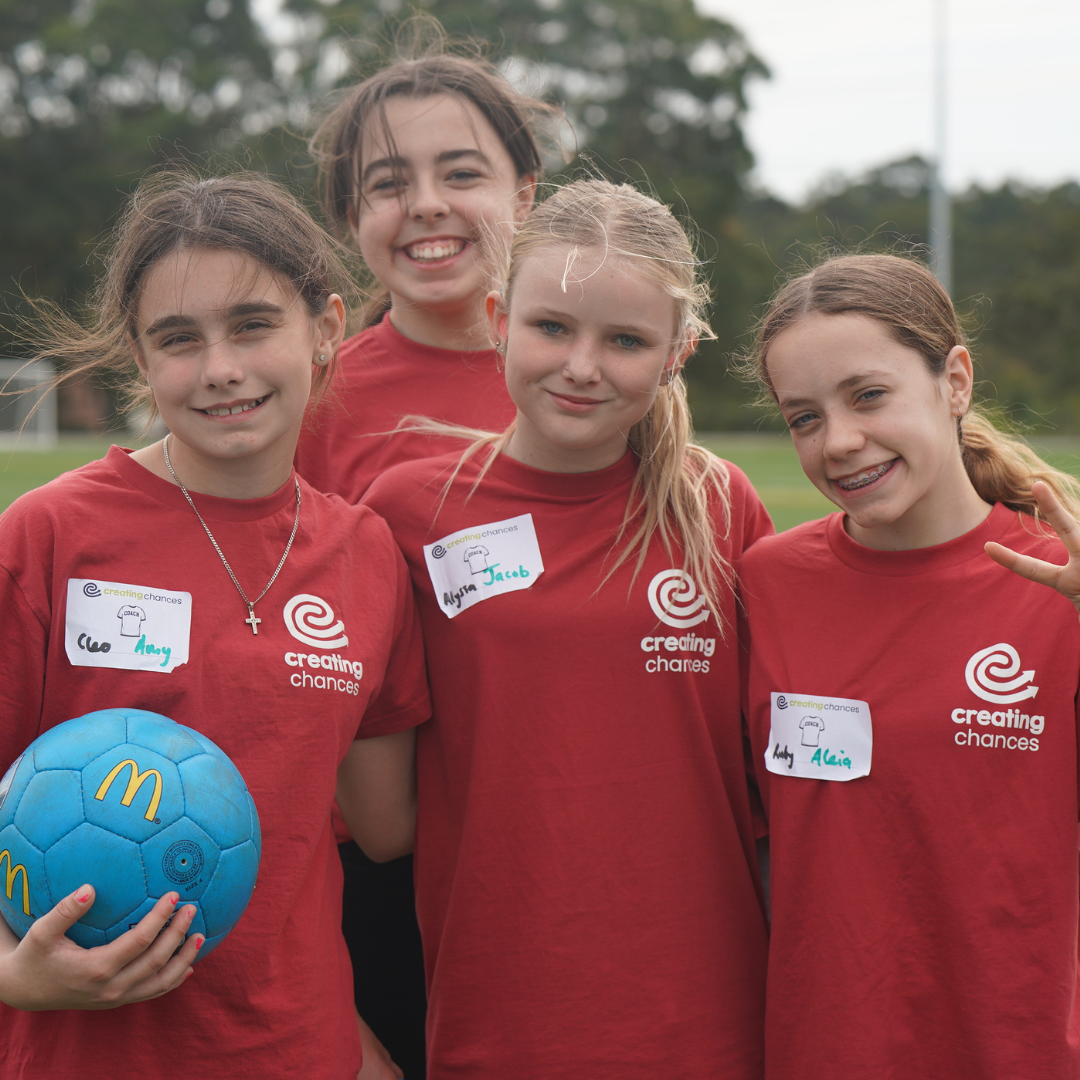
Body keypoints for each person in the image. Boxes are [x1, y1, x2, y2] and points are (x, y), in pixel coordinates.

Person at [0, 172, 430, 1080]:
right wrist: (11, 972)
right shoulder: (48, 536)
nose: (220, 369)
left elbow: (386, 825)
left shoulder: (366, 555)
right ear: (140, 357)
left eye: (252, 325)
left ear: (326, 328)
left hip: (298, 1050)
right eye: (179, 340)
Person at [362, 179, 772, 1079]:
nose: (583, 366)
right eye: (553, 327)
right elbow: (368, 810)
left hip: (714, 1025)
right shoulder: (407, 513)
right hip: (499, 1020)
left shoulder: (718, 508)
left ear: (679, 353)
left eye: (625, 340)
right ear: (500, 319)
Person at [737, 252, 1080, 1079]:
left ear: (954, 380)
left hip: (1018, 1047)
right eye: (804, 417)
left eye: (868, 396)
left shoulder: (1059, 585)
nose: (840, 442)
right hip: (826, 1048)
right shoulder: (767, 580)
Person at [297, 34, 559, 1075]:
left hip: (554, 838)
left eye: (462, 173)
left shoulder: (588, 374)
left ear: (526, 193)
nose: (426, 206)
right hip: (379, 869)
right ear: (353, 219)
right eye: (387, 183)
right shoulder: (311, 402)